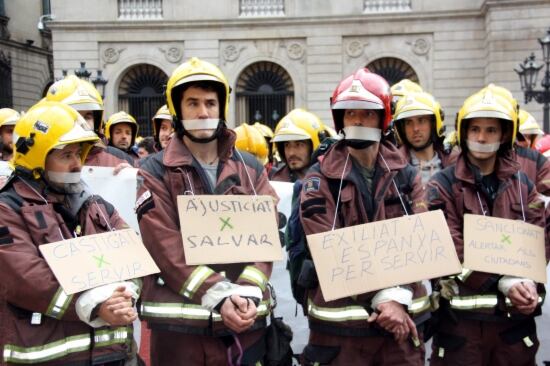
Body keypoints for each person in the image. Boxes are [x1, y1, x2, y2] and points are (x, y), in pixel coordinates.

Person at [135, 57, 278, 366]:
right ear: (177, 110)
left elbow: (266, 238)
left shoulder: (250, 167)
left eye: (211, 103)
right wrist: (217, 293)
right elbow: (163, 245)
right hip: (182, 336)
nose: (203, 112)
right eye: (193, 104)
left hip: (246, 330)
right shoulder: (154, 171)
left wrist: (250, 290)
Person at [298, 68, 428, 365]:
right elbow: (329, 248)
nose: (357, 120)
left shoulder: (408, 176)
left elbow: (422, 247)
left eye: (367, 113)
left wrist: (398, 299)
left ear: (383, 117)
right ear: (339, 119)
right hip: (341, 336)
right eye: (350, 113)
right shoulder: (318, 180)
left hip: (400, 334)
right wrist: (386, 299)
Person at [0, 101, 140, 365]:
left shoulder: (96, 205)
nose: (77, 164)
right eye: (66, 155)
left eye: (79, 154)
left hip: (114, 355)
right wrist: (97, 305)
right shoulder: (8, 210)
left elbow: (133, 255)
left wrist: (124, 296)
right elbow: (27, 279)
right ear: (37, 158)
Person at [426, 87, 547, 366]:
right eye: (475, 129)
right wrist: (502, 281)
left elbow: (538, 238)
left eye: (491, 130)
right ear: (463, 132)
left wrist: (530, 284)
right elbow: (450, 248)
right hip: (462, 329)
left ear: (505, 134)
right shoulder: (441, 186)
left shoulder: (523, 185)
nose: (481, 137)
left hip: (514, 329)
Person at [45, 75, 135, 169]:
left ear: (97, 121)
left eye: (88, 116)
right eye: (73, 115)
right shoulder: (41, 156)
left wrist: (132, 178)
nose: (81, 122)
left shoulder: (123, 159)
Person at [393, 91, 457, 186]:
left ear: (433, 124)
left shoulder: (456, 163)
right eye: (409, 122)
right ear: (402, 129)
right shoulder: (392, 167)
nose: (415, 129)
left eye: (421, 120)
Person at [270, 108, 327, 183]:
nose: (291, 153)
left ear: (314, 147)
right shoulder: (276, 183)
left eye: (298, 144)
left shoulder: (334, 180)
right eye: (287, 145)